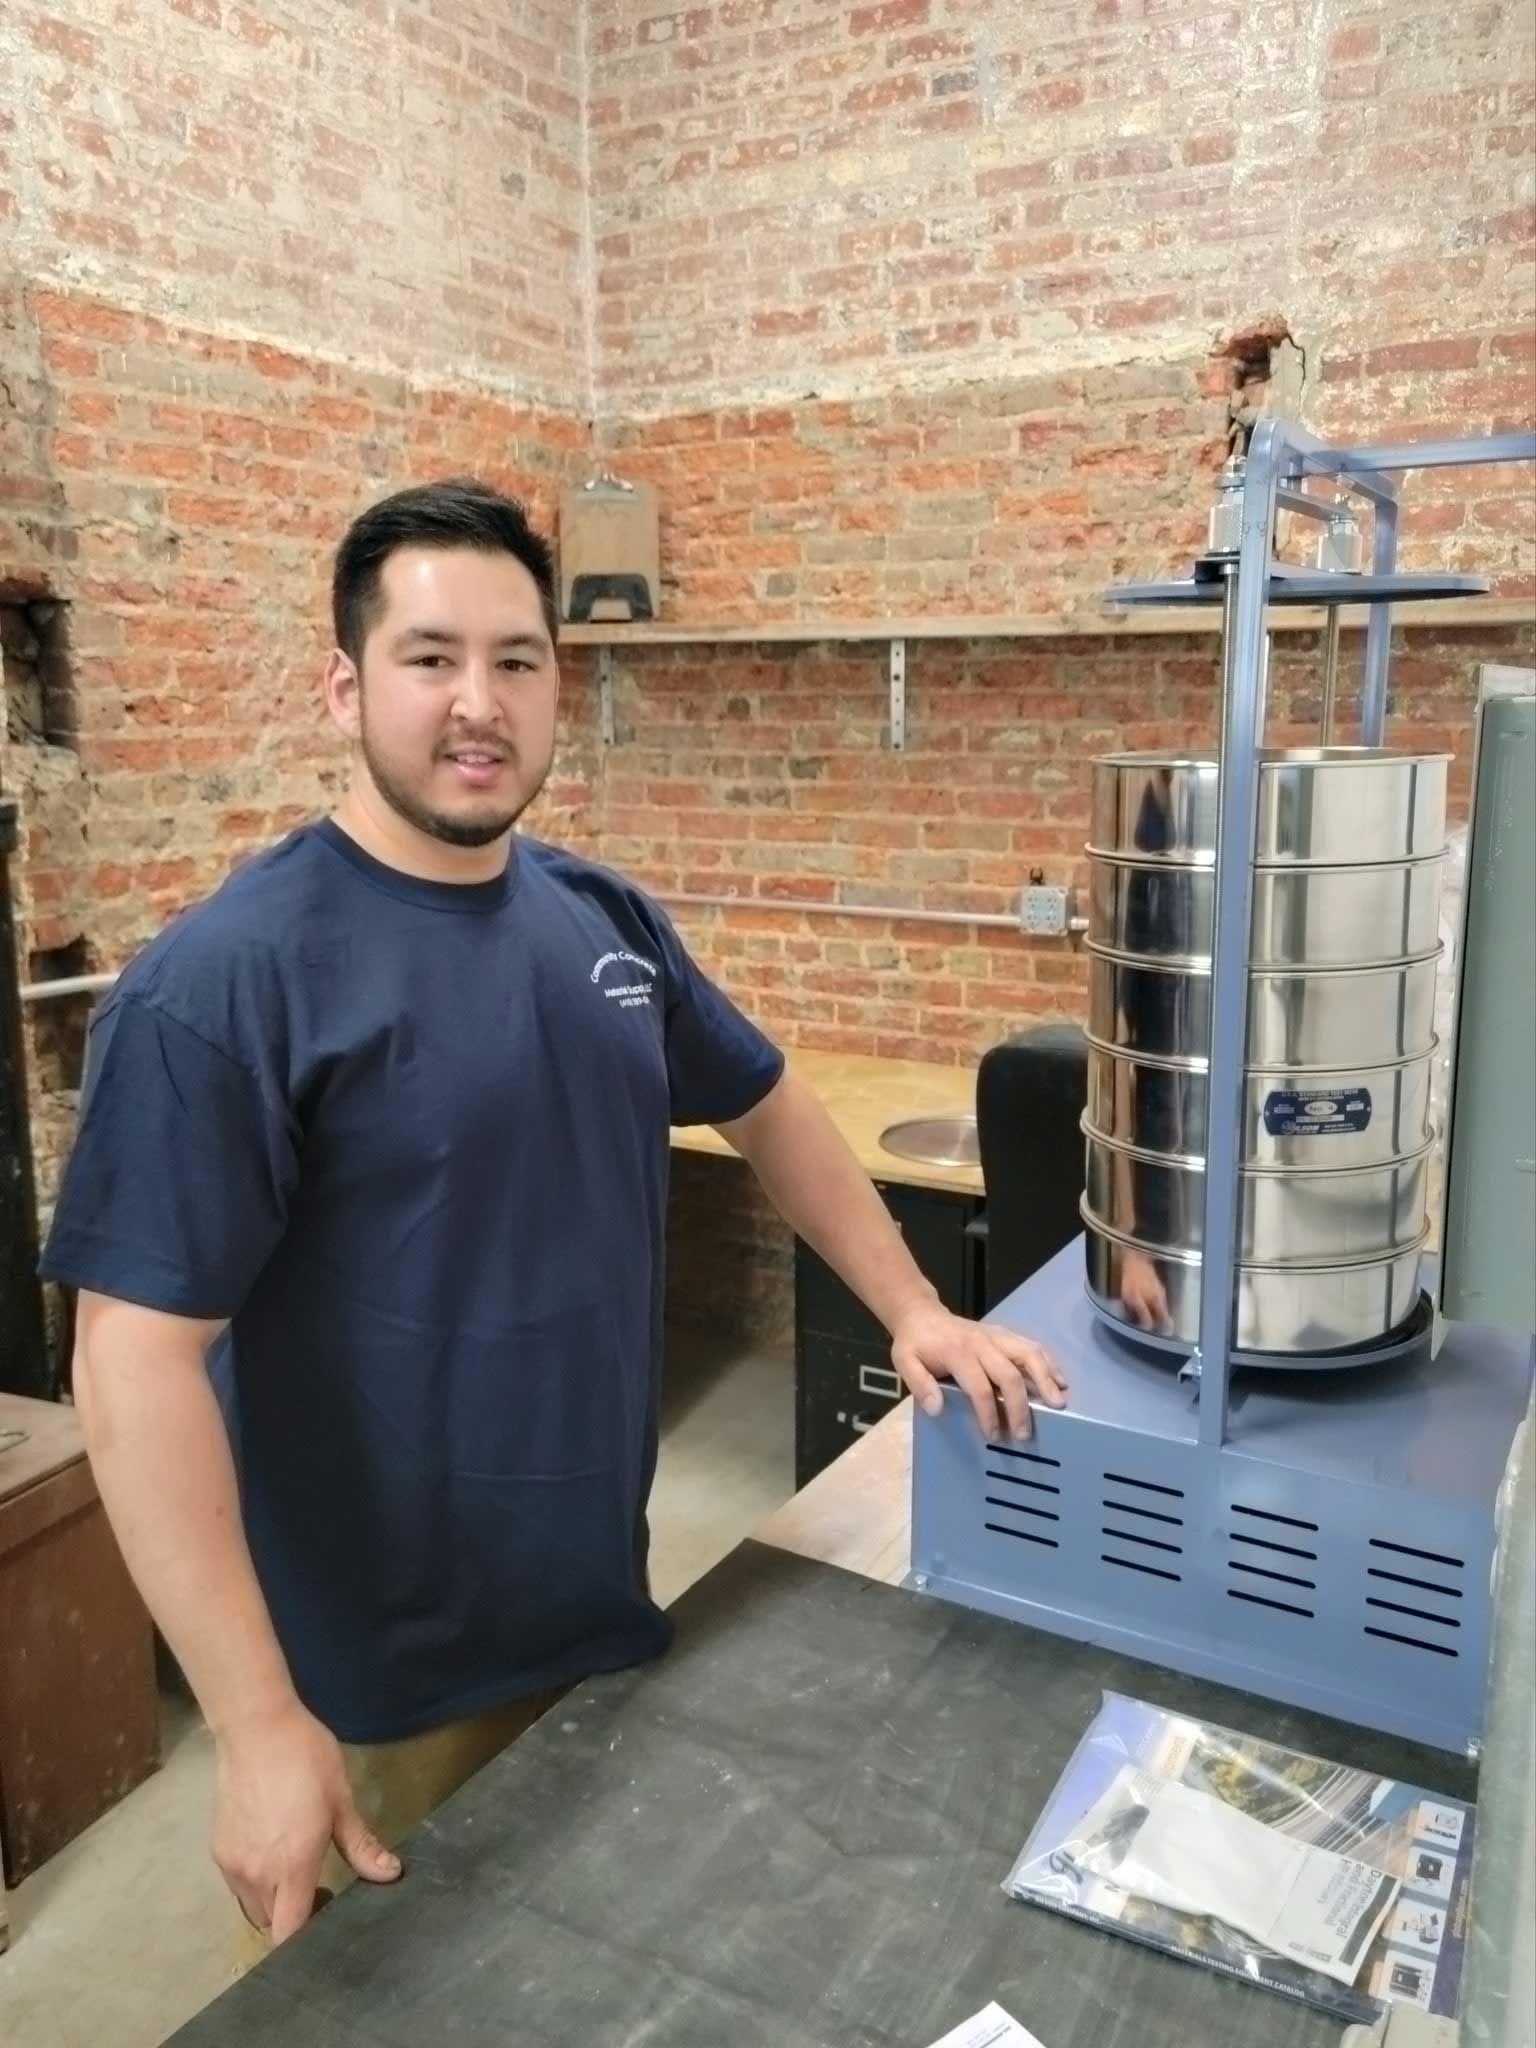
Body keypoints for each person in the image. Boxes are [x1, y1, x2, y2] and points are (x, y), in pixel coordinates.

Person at [40, 478, 1065, 1953]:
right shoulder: (226, 985)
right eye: (430, 658)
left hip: (599, 1612)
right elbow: (129, 1364)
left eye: (516, 661)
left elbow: (767, 1105)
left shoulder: (603, 921)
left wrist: (916, 1309)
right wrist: (260, 1725)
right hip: (378, 1692)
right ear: (343, 686)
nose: (479, 703)